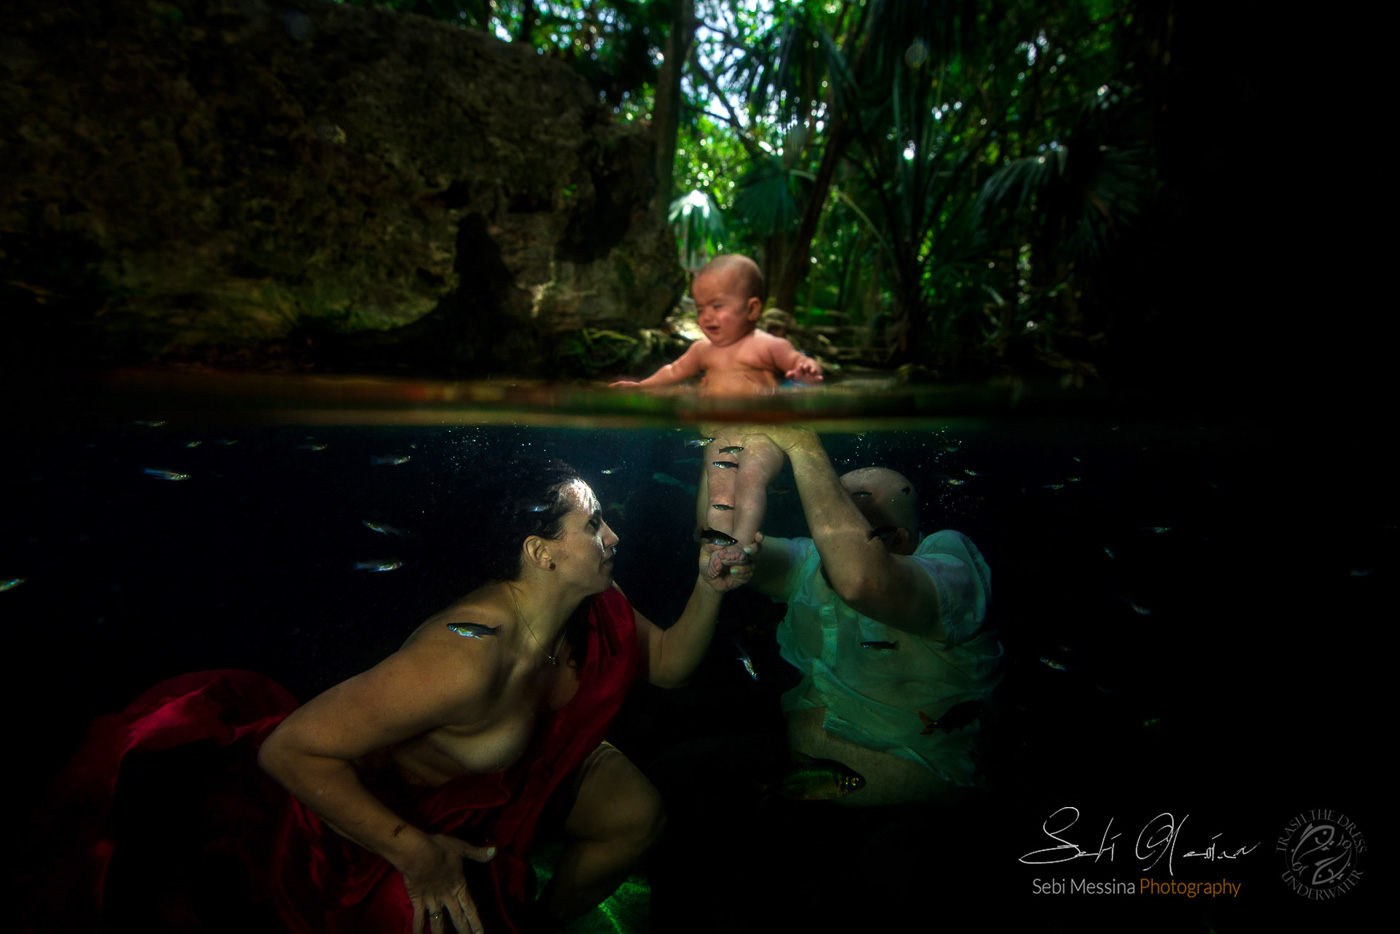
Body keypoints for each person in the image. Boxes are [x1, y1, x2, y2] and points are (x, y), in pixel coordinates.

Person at [26, 459, 751, 934]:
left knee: (639, 813)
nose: (613, 535)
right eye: (593, 524)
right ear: (540, 551)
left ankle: (536, 924)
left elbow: (670, 663)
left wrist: (710, 587)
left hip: (513, 778)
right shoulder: (464, 656)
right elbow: (290, 749)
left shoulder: (596, 602)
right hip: (391, 819)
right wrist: (415, 853)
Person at [734, 426, 1003, 805]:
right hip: (800, 787)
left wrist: (802, 443)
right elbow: (721, 539)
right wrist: (730, 455)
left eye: (844, 512)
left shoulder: (953, 571)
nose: (824, 520)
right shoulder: (811, 560)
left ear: (896, 536)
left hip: (922, 814)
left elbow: (861, 578)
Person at [610, 255, 822, 573]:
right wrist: (642, 387)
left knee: (750, 480)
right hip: (720, 433)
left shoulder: (767, 345)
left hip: (764, 434)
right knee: (718, 491)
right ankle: (717, 547)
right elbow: (673, 370)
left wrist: (806, 371)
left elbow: (797, 363)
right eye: (700, 309)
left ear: (752, 309)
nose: (706, 317)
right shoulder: (702, 350)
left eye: (717, 306)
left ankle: (742, 542)